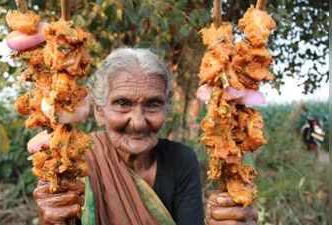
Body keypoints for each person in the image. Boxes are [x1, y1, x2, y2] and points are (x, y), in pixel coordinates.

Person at [27, 48, 258, 225]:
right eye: (122, 104)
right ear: (99, 111)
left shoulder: (181, 160)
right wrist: (51, 215)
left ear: (166, 110)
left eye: (153, 104)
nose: (138, 122)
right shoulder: (75, 161)